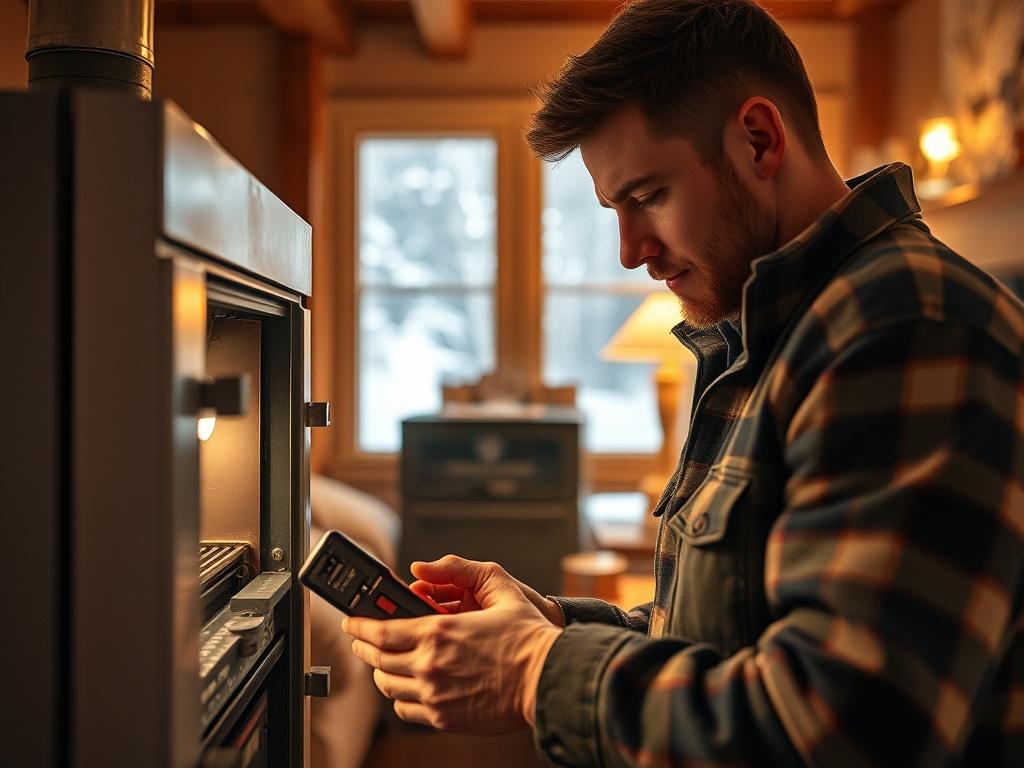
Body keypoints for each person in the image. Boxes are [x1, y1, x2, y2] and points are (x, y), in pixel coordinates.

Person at [343, 0, 1024, 764]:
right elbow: (724, 643)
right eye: (615, 210)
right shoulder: (777, 334)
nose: (631, 252)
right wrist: (552, 628)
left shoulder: (906, 328)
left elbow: (842, 728)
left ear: (758, 139)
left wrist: (533, 670)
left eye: (648, 197)